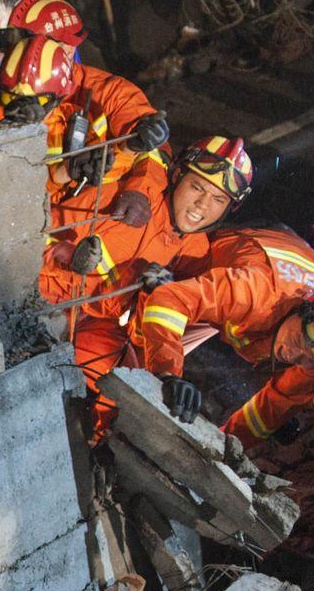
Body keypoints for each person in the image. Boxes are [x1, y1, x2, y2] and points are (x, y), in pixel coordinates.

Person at [131, 228, 314, 501]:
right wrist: (168, 374)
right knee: (147, 328)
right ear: (306, 307)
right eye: (304, 339)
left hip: (266, 310)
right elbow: (170, 300)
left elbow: (274, 405)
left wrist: (218, 451)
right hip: (221, 262)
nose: (296, 355)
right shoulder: (256, 291)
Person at [47, 135, 251, 442]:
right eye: (197, 187)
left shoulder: (194, 252)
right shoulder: (131, 198)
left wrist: (169, 374)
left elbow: (165, 322)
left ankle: (88, 447)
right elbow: (38, 225)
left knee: (122, 376)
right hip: (42, 302)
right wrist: (62, 257)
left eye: (218, 199)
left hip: (95, 323)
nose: (202, 205)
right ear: (178, 177)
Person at [9, 0, 170, 230]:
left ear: (70, 47)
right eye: (23, 44)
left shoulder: (108, 92)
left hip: (92, 218)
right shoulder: (1, 98)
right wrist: (59, 175)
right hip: (30, 226)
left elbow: (154, 149)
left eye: (41, 46)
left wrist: (139, 189)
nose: (31, 55)